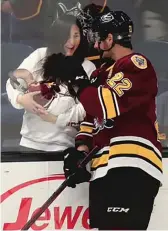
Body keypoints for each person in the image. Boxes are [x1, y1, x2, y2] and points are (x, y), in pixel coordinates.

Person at [42, 10, 162, 230]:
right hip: (104, 166)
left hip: (131, 161)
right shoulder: (100, 75)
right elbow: (90, 119)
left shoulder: (136, 65)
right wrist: (80, 150)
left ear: (110, 39)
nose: (95, 46)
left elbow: (105, 105)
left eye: (99, 39)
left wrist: (80, 83)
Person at [6, 12, 96, 153]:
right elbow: (12, 83)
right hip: (30, 144)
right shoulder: (40, 55)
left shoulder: (88, 67)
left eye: (76, 36)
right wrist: (21, 99)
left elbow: (85, 109)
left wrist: (55, 119)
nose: (71, 42)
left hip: (65, 146)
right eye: (66, 36)